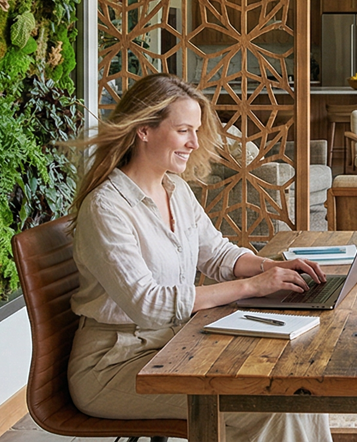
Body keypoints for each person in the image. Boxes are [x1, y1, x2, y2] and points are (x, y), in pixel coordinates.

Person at [65, 74, 332, 441]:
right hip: (114, 366)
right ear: (144, 130)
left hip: (176, 345)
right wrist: (252, 285)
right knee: (265, 407)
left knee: (292, 390)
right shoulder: (106, 208)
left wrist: (271, 267)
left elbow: (218, 254)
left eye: (195, 130)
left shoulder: (175, 190)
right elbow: (149, 304)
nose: (193, 142)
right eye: (183, 130)